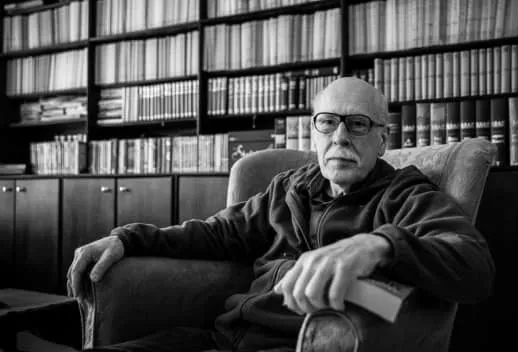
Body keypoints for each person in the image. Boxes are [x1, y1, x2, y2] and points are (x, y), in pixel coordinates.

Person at [67, 77, 495, 352]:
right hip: (224, 337)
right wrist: (127, 239)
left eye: (358, 124)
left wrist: (379, 244)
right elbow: (217, 233)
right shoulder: (289, 187)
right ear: (314, 133)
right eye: (327, 123)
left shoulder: (406, 195)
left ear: (382, 140)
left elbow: (474, 266)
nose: (340, 137)